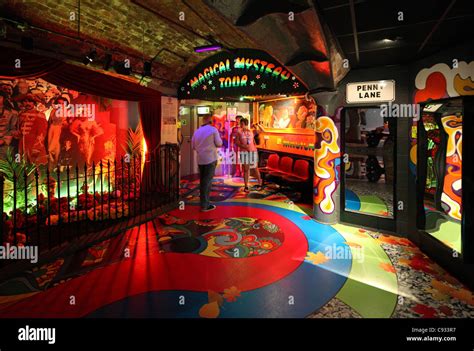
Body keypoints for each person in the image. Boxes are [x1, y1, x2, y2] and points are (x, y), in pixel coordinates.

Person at [191, 113, 223, 212]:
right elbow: (219, 143)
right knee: (207, 182)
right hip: (210, 159)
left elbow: (193, 146)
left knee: (203, 181)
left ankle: (204, 202)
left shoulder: (196, 131)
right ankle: (205, 205)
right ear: (211, 121)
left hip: (200, 159)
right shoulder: (213, 130)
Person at [237, 118, 262, 192]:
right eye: (240, 124)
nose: (240, 125)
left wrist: (257, 125)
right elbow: (237, 142)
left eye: (242, 124)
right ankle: (246, 186)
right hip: (244, 152)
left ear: (245, 124)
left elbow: (262, 131)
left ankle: (259, 183)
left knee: (255, 168)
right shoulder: (239, 132)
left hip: (252, 151)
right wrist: (243, 146)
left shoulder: (251, 131)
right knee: (246, 169)